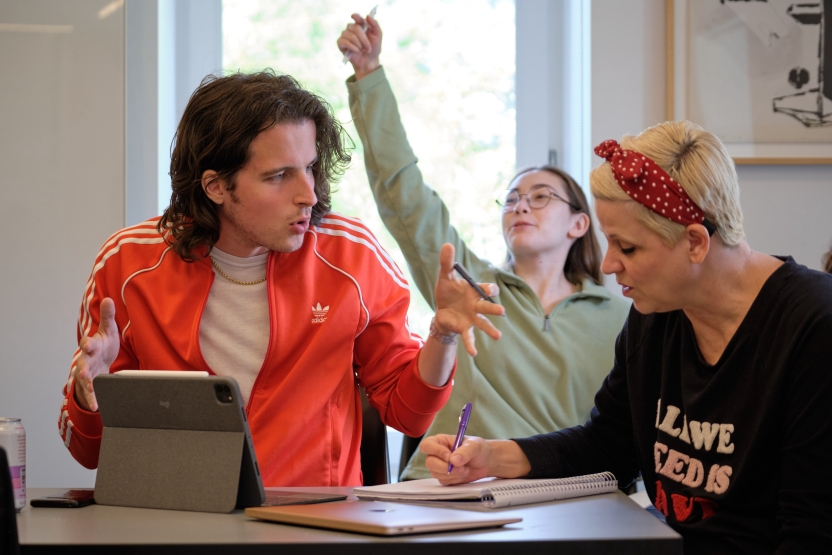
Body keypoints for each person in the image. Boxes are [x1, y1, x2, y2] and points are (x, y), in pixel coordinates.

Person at [57, 71, 505, 487]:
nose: (308, 194)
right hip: (174, 521)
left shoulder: (351, 255)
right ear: (216, 186)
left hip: (316, 522)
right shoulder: (127, 262)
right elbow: (88, 452)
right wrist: (90, 394)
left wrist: (442, 338)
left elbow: (408, 414)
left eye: (310, 167)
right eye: (279, 176)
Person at [419, 122, 832, 552]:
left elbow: (811, 531)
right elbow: (606, 446)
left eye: (627, 247)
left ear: (695, 242)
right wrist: (492, 458)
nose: (610, 264)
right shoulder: (655, 314)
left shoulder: (813, 327)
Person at [337, 14, 630, 480]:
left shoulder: (623, 318)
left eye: (540, 197)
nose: (520, 206)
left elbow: (620, 439)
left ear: (579, 223)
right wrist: (369, 74)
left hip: (560, 496)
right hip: (449, 486)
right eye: (511, 199)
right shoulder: (469, 285)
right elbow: (403, 192)